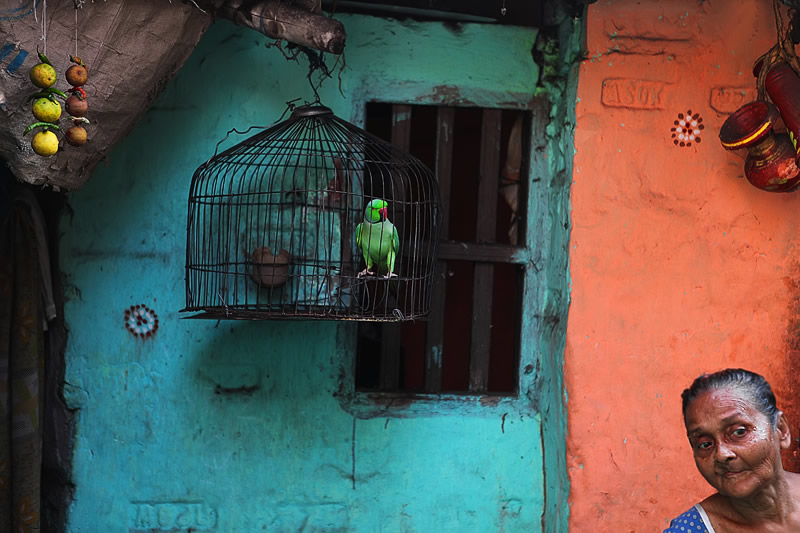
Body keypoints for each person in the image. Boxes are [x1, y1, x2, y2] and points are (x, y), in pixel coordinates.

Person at [664, 368, 800, 532]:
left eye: (739, 432)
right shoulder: (690, 529)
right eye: (705, 444)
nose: (722, 454)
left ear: (781, 429)